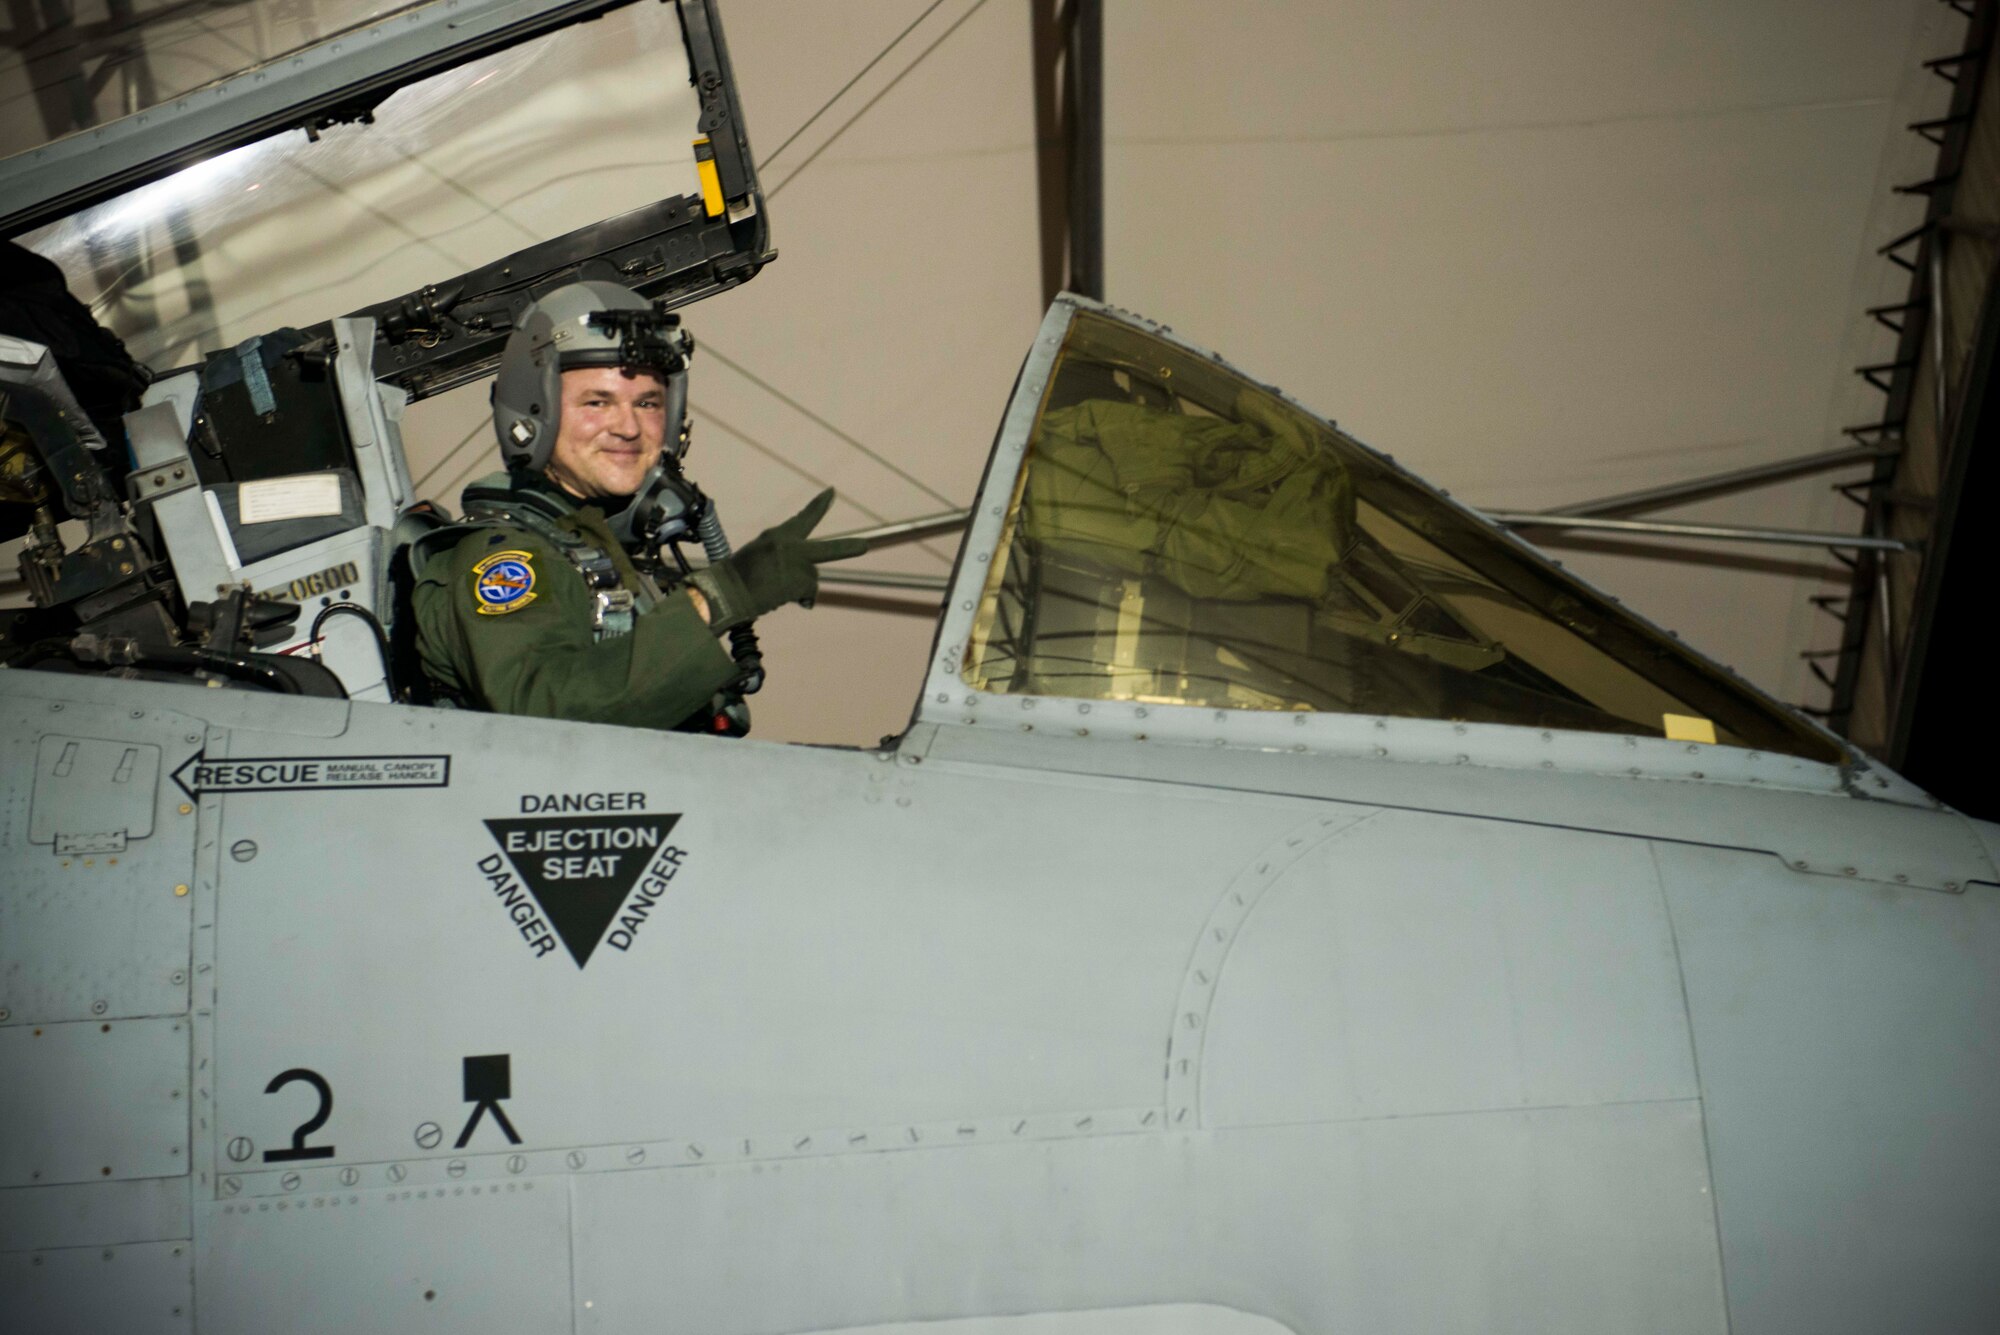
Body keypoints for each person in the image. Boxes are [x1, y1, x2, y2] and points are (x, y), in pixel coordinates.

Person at [411, 280, 864, 729]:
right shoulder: (508, 556)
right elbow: (546, 713)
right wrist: (720, 595)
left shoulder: (598, 552)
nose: (628, 428)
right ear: (535, 411)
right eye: (598, 402)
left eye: (647, 403)